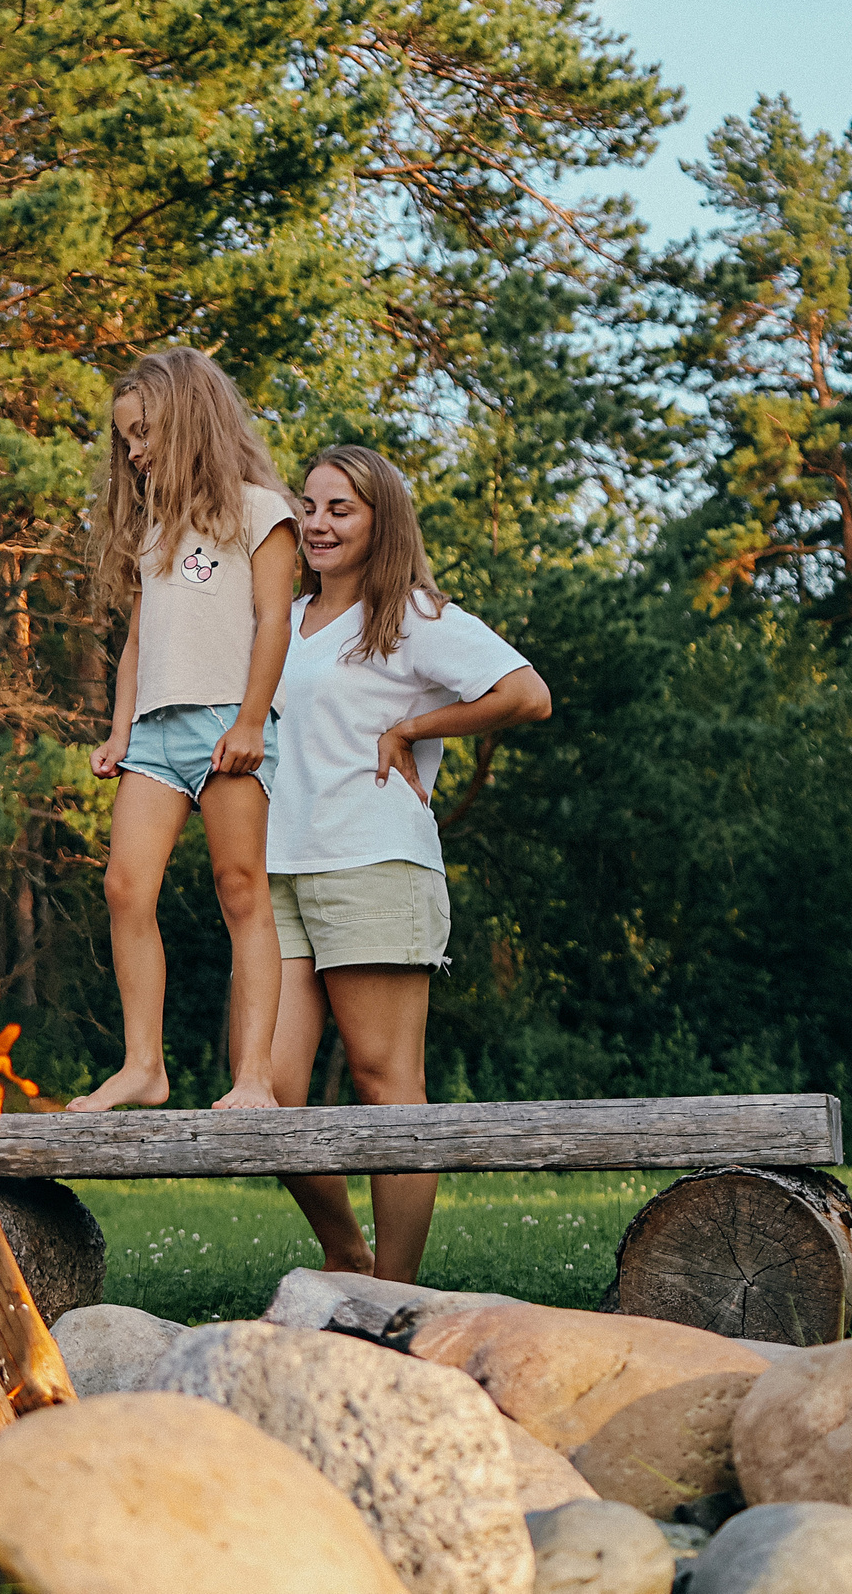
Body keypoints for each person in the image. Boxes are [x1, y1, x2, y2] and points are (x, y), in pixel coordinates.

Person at [264, 444, 552, 1281]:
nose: (318, 523)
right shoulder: (281, 617)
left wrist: (415, 729)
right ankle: (343, 1248)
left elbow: (526, 692)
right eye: (309, 508)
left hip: (376, 863)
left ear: (380, 519)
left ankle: (394, 1293)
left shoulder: (412, 613)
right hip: (283, 868)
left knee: (385, 1081)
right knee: (271, 1090)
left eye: (340, 509)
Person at [74, 348, 299, 1113]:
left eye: (142, 435)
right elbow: (138, 641)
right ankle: (144, 1065)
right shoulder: (156, 529)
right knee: (124, 885)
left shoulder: (260, 512)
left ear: (189, 421)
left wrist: (248, 720)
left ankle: (254, 1078)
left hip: (225, 725)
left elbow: (274, 622)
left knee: (240, 890)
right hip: (155, 734)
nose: (133, 453)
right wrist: (117, 730)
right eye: (126, 441)